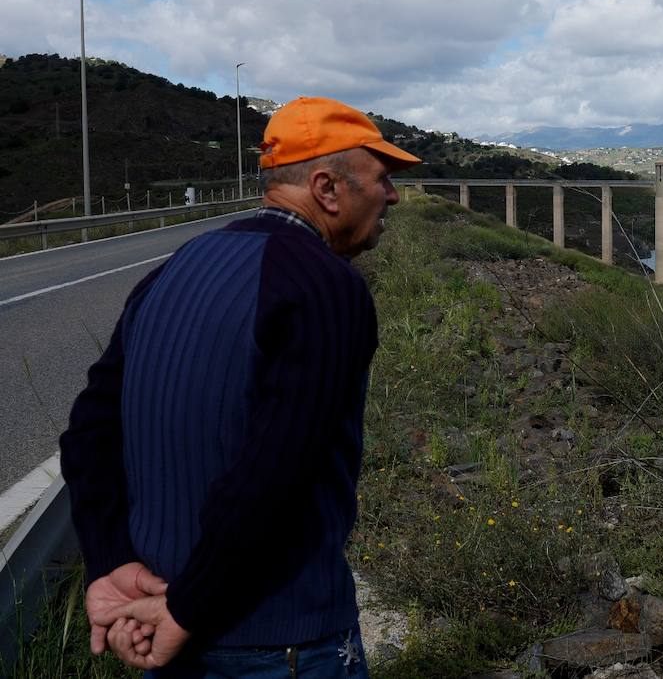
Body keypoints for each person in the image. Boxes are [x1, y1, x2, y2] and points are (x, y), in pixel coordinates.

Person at [59, 96, 422, 676]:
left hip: (167, 629)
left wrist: (110, 561)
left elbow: (88, 432)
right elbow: (276, 472)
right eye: (382, 179)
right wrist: (187, 608)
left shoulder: (174, 268)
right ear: (327, 188)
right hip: (282, 645)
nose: (394, 196)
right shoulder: (326, 288)